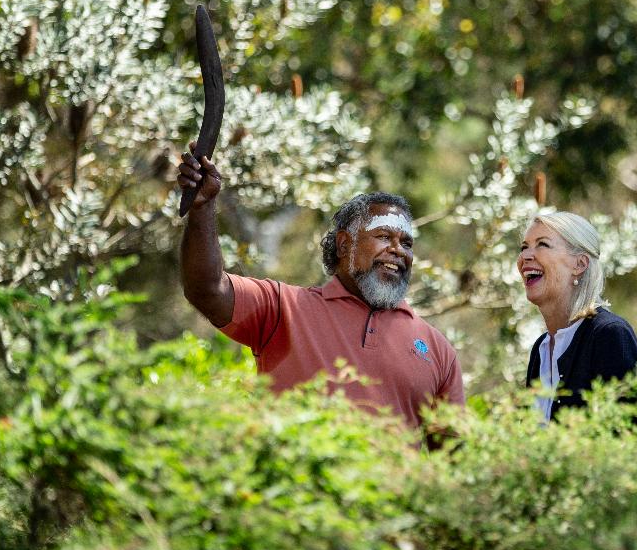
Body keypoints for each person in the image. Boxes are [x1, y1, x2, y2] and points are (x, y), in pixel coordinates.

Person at [178, 151, 464, 430]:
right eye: (384, 236)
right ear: (343, 245)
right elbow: (208, 289)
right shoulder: (283, 307)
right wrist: (202, 207)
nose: (398, 251)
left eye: (407, 243)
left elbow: (456, 460)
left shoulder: (437, 350)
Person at [518, 210, 637, 422]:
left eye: (542, 244)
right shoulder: (540, 349)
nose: (525, 256)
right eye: (524, 247)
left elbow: (625, 438)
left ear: (580, 264)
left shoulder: (610, 335)